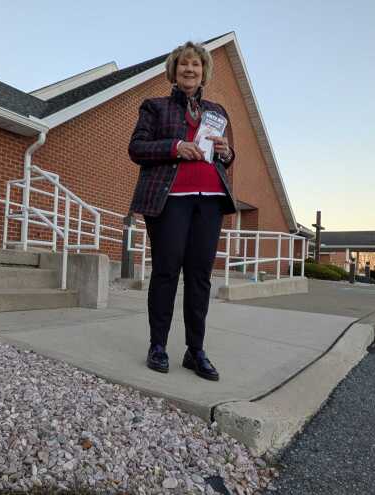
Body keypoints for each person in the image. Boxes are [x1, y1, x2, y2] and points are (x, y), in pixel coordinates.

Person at [127, 41, 237, 381]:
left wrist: (226, 151)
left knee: (200, 277)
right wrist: (175, 147)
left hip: (210, 200)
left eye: (196, 65)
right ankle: (158, 346)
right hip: (170, 199)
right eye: (184, 64)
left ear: (204, 72)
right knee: (166, 272)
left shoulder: (218, 111)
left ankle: (195, 350)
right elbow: (137, 147)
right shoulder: (155, 107)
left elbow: (226, 159)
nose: (190, 69)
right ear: (174, 71)